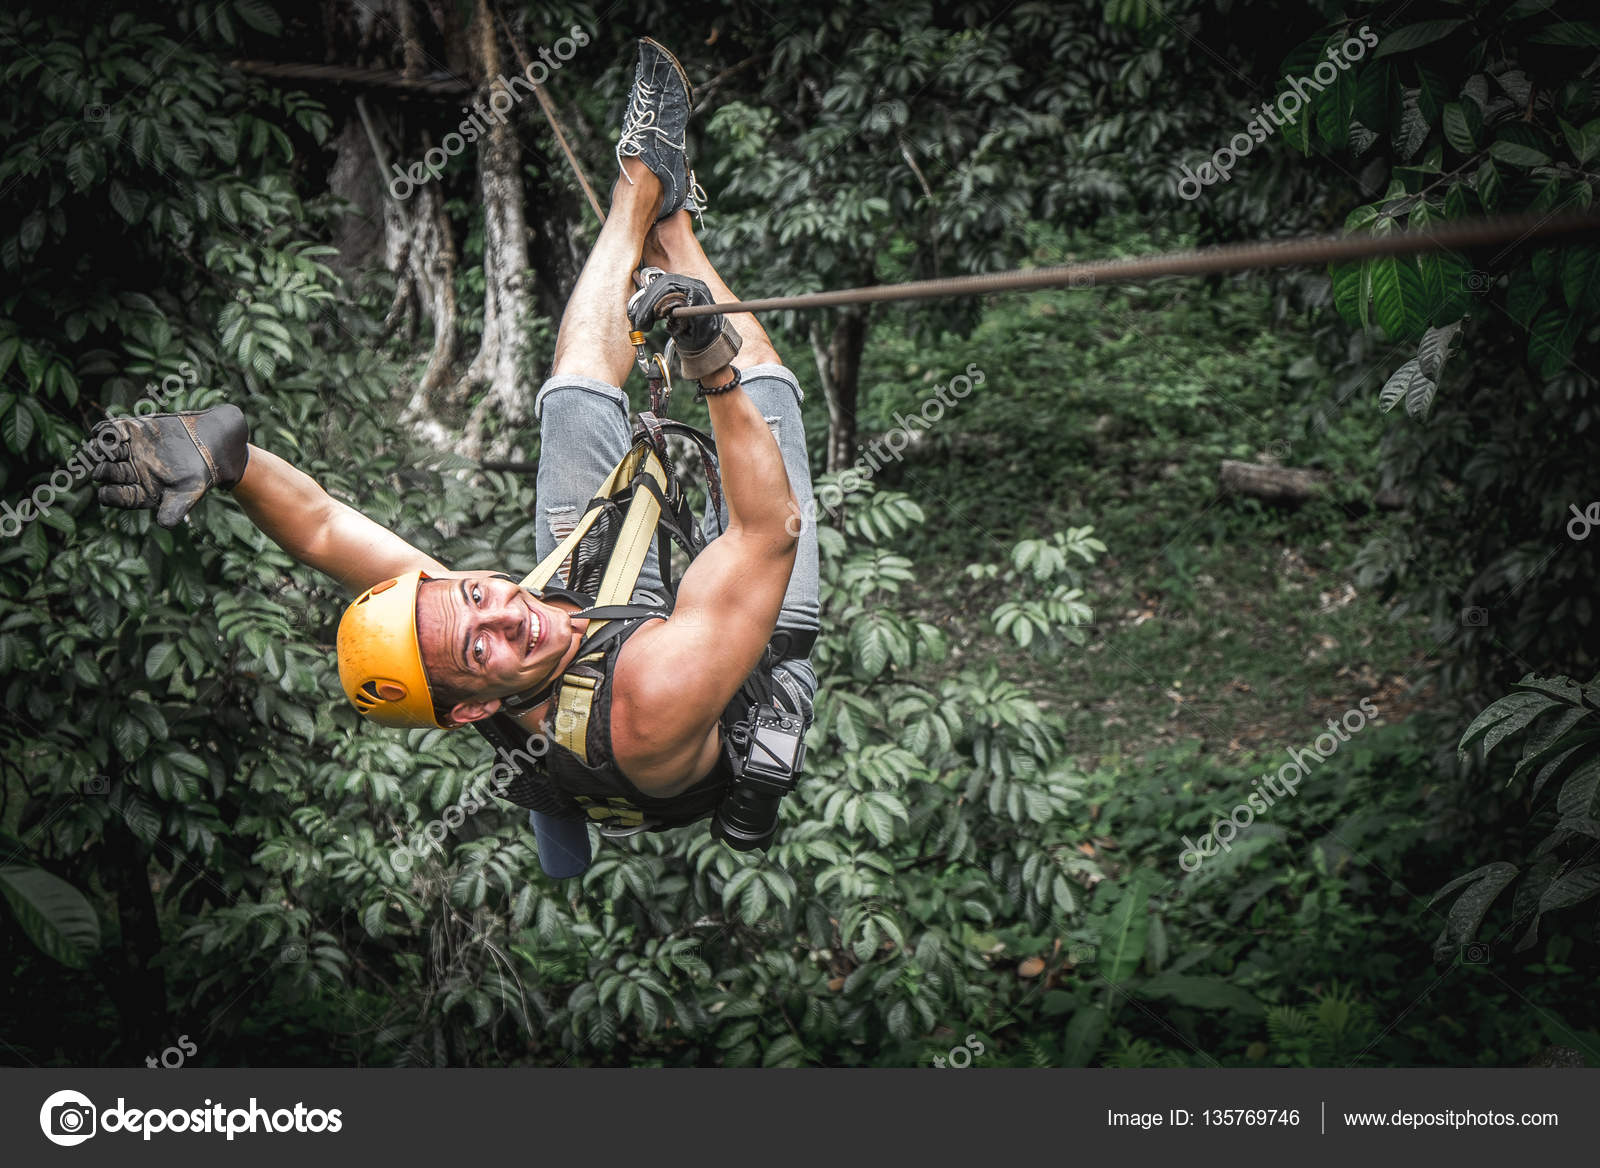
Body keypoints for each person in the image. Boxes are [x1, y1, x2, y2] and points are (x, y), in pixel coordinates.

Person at [93, 39, 820, 879]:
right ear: (477, 705)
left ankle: (640, 187)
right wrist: (708, 357)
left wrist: (225, 457)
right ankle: (676, 230)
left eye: (474, 592)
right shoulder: (651, 700)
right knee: (763, 396)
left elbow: (327, 530)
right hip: (707, 679)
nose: (503, 611)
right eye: (482, 648)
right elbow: (768, 529)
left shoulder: (477, 626)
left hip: (589, 641)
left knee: (578, 392)